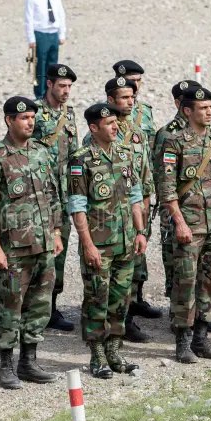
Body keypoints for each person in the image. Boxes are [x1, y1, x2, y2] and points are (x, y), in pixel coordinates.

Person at [0, 96, 63, 390]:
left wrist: (56, 231)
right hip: (13, 247)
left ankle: (29, 361)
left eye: (32, 118)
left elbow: (52, 195)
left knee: (39, 305)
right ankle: (6, 366)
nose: (30, 122)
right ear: (9, 120)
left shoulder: (41, 152)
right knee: (10, 305)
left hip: (43, 243)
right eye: (24, 118)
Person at [69, 103, 147, 378]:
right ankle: (97, 355)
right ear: (93, 128)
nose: (116, 127)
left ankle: (114, 351)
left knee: (120, 299)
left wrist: (140, 231)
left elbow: (135, 196)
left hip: (126, 241)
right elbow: (77, 207)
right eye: (109, 123)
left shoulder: (125, 154)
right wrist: (88, 245)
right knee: (96, 299)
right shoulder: (81, 160)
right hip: (99, 244)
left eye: (116, 122)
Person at [155, 86, 211, 363]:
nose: (209, 112)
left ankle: (202, 337)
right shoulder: (174, 142)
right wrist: (179, 223)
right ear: (187, 111)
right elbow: (166, 189)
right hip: (188, 224)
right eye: (203, 108)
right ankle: (183, 341)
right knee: (185, 283)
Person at [84, 77, 154, 342]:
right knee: (103, 282)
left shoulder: (137, 133)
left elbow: (143, 172)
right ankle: (104, 333)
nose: (130, 102)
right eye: (124, 97)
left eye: (132, 97)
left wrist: (144, 205)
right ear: (111, 100)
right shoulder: (93, 138)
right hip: (104, 221)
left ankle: (127, 318)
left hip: (133, 211)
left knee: (131, 269)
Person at [113, 59, 164, 324]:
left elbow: (150, 151)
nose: (135, 87)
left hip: (141, 189)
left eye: (138, 81)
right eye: (130, 82)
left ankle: (137, 297)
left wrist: (149, 190)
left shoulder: (144, 112)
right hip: (117, 196)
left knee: (141, 241)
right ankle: (123, 307)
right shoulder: (106, 115)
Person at [31, 63, 78, 332]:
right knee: (39, 251)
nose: (66, 91)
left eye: (69, 86)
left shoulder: (69, 114)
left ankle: (51, 306)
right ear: (49, 84)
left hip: (64, 194)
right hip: (40, 193)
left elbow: (74, 154)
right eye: (62, 86)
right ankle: (33, 307)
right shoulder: (34, 113)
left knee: (60, 250)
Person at [152, 80, 198, 307]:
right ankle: (177, 308)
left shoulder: (201, 130)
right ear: (179, 104)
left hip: (198, 208)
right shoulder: (167, 134)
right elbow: (162, 176)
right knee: (175, 258)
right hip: (174, 206)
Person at [25, 0, 66, 98]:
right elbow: (29, 19)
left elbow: (61, 15)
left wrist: (62, 34)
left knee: (53, 65)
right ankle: (40, 93)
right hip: (41, 33)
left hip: (53, 33)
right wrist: (31, 38)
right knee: (41, 65)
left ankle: (50, 92)